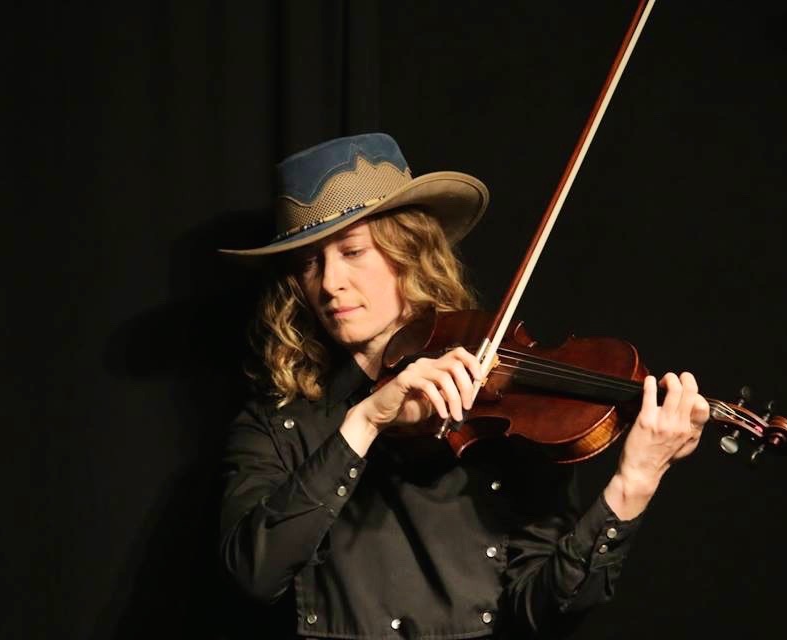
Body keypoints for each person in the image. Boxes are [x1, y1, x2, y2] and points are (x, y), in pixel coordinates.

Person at [216, 132, 710, 639]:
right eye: (309, 262)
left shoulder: (504, 404)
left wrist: (634, 484)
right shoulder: (277, 424)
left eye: (353, 251)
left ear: (407, 250)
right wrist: (363, 423)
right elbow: (255, 575)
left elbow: (545, 609)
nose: (330, 282)